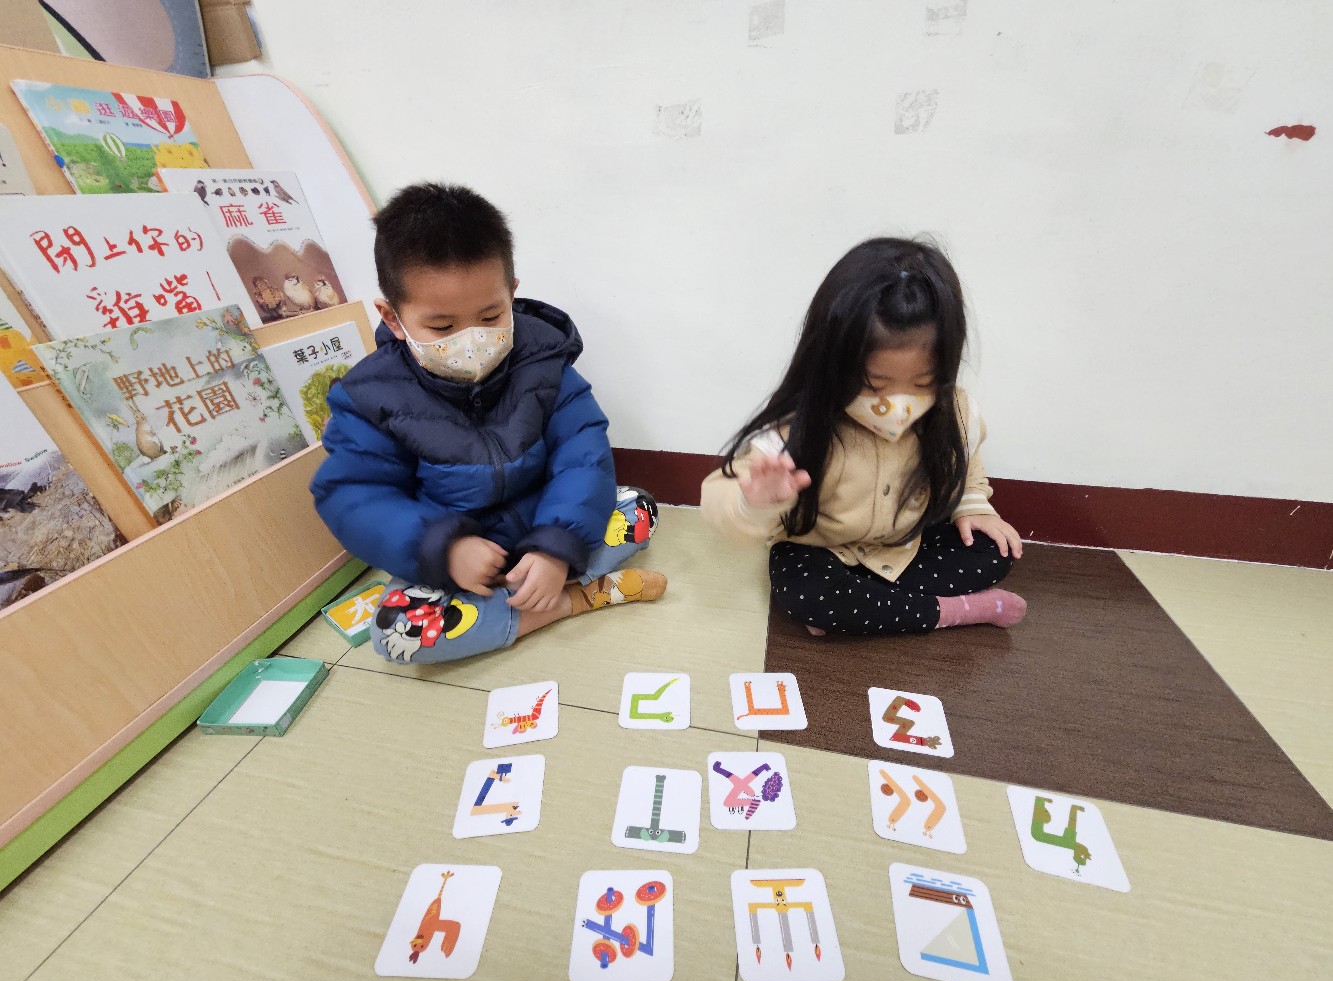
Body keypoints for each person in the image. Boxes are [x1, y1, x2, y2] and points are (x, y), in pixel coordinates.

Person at [311, 183, 665, 663]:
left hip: (545, 525)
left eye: (491, 315)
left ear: (512, 295)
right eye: (442, 327)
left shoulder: (544, 359)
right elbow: (354, 496)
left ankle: (532, 593)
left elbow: (582, 454)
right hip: (465, 560)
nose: (471, 340)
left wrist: (556, 547)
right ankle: (573, 600)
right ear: (392, 318)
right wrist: (445, 549)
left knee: (640, 508)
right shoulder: (371, 396)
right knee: (398, 635)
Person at [700, 236, 1025, 637]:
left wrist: (973, 507)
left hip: (904, 548)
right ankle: (950, 610)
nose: (897, 405)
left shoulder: (953, 410)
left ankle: (864, 606)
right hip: (821, 553)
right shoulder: (798, 426)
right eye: (875, 385)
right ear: (833, 365)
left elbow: (965, 459)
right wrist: (754, 503)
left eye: (923, 383)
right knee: (805, 590)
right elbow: (718, 497)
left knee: (994, 551)